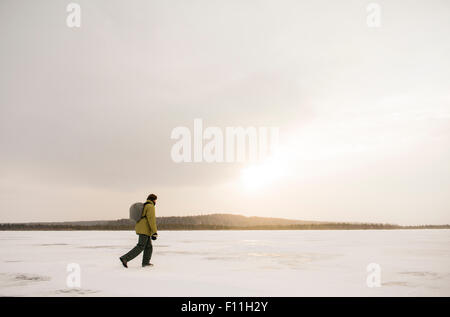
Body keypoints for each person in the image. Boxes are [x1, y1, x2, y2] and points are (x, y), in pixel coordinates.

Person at [120, 194, 158, 268]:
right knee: (140, 246)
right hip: (145, 229)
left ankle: (146, 263)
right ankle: (125, 258)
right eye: (155, 200)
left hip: (141, 228)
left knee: (148, 247)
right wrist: (154, 232)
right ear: (153, 200)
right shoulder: (150, 206)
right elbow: (151, 220)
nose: (156, 201)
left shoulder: (144, 205)